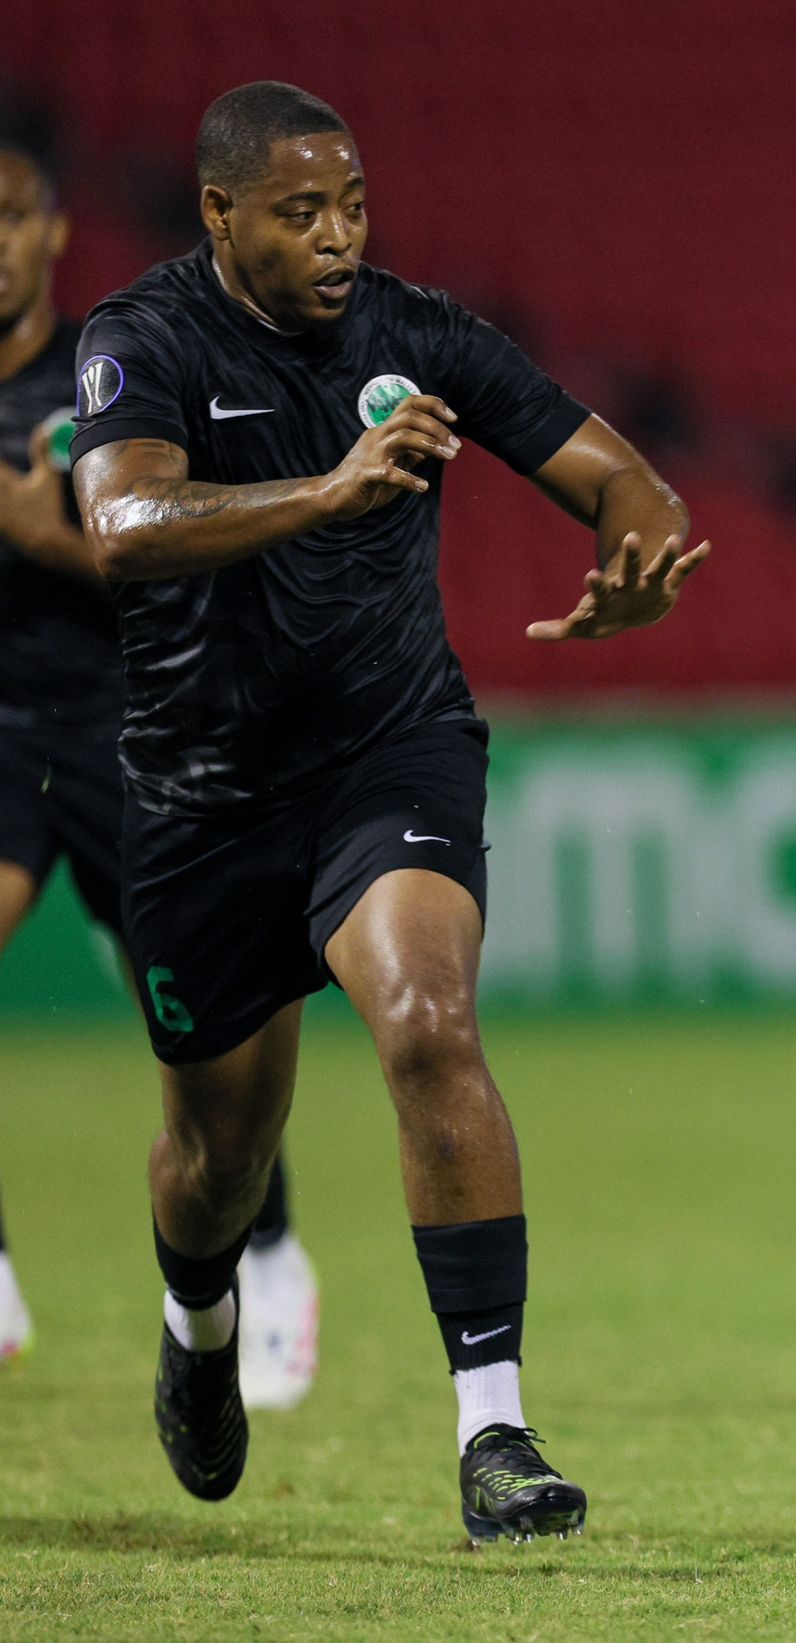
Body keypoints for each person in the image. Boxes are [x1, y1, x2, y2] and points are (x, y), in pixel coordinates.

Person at [69, 82, 706, 1542]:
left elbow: (624, 478)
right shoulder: (142, 339)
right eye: (302, 214)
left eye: (353, 205)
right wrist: (328, 487)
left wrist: (638, 562)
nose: (340, 236)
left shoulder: (418, 332)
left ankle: (495, 1429)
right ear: (222, 214)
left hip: (387, 750)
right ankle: (200, 1315)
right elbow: (121, 526)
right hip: (200, 792)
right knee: (218, 1160)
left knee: (428, 1017)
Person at [0, 139, 317, 1400]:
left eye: (11, 216)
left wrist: (46, 535)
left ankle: (275, 1249)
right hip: (1, 733)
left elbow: (183, 552)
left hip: (137, 736)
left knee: (209, 1052)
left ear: (55, 233)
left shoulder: (109, 372)